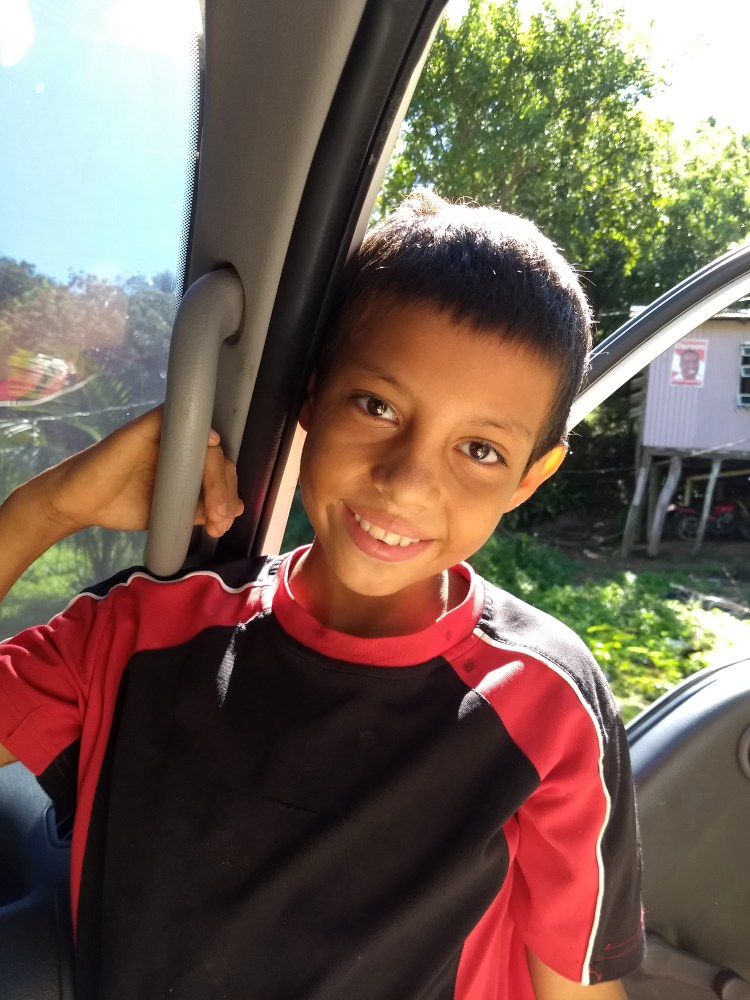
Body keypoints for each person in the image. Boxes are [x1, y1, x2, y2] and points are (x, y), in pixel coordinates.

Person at [0, 190, 643, 999]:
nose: (407, 481)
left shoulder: (547, 704)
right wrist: (43, 509)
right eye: (378, 406)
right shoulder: (143, 633)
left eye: (479, 449)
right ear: (313, 392)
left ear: (530, 477)